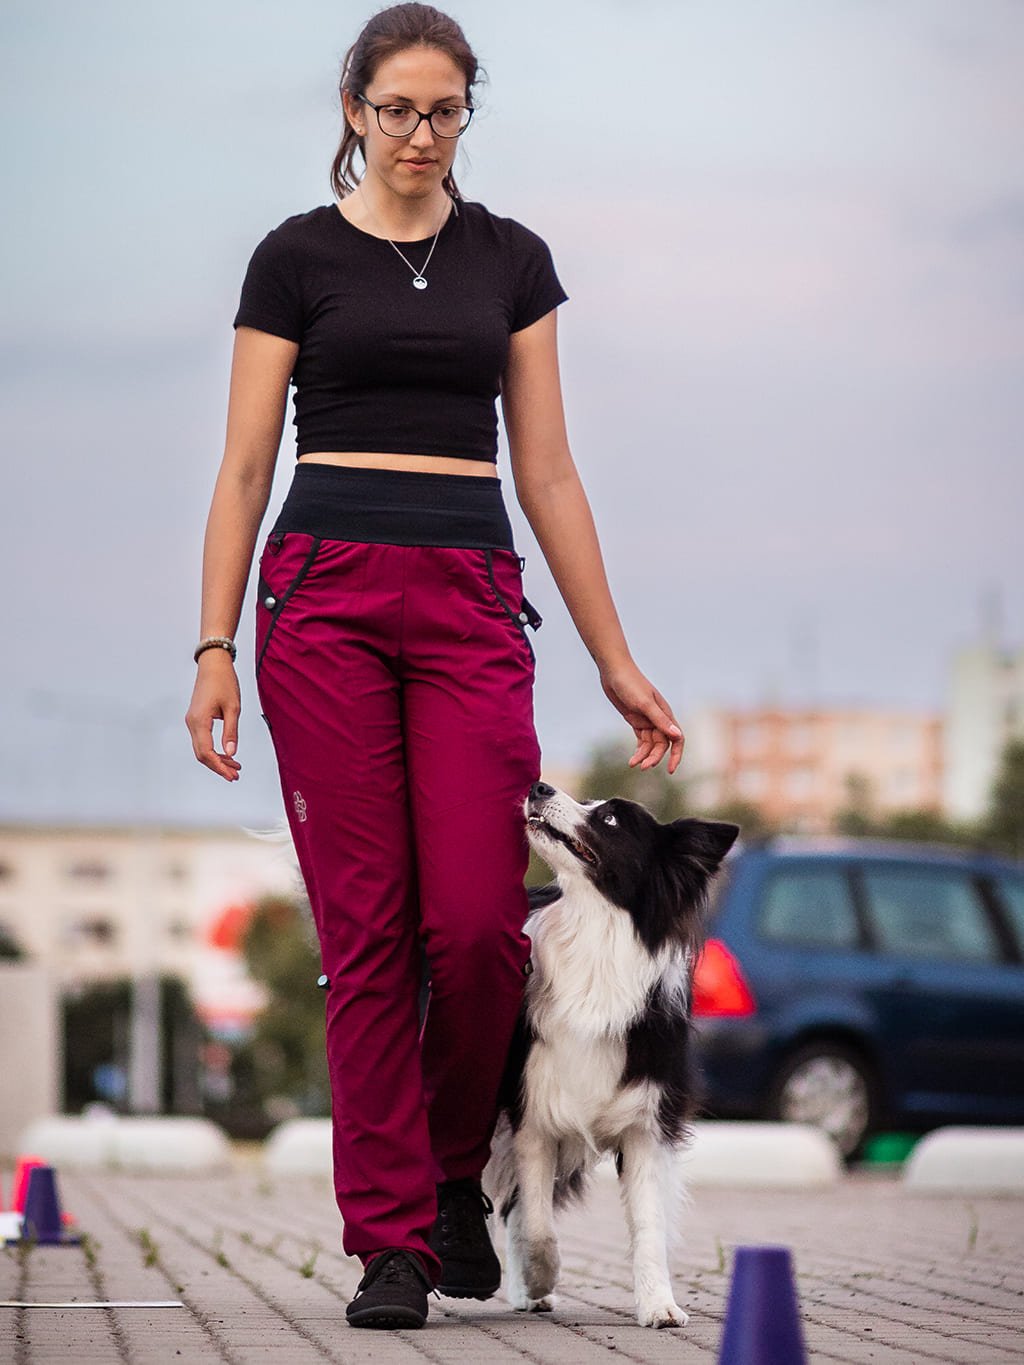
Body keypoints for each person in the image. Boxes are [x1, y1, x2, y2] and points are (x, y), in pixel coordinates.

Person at [185, 1, 684, 1332]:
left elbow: (553, 470)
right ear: (355, 109)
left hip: (469, 601)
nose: (418, 132)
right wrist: (217, 641)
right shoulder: (294, 260)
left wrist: (616, 658)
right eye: (395, 108)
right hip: (324, 602)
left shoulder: (511, 261)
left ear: (469, 114)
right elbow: (244, 468)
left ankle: (461, 1174)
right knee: (367, 939)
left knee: (471, 931)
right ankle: (392, 1239)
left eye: (443, 110)